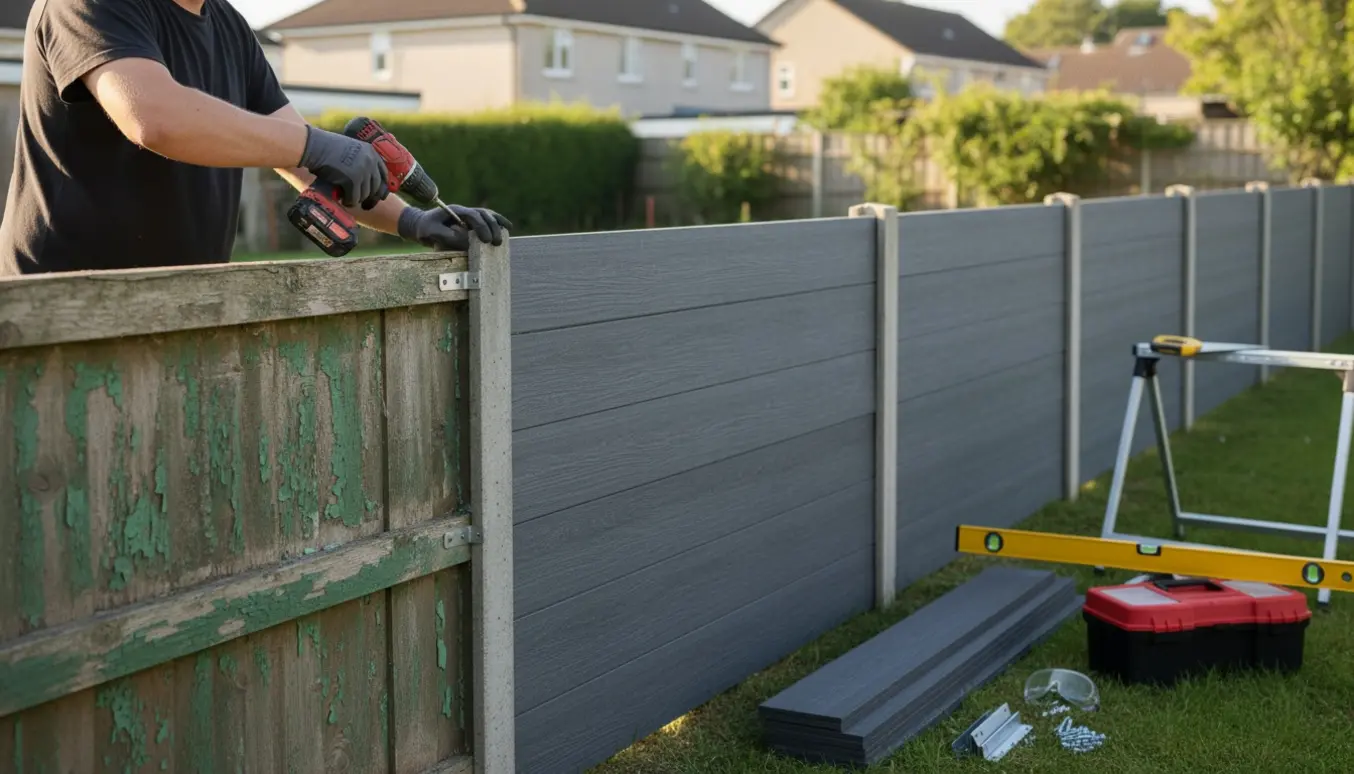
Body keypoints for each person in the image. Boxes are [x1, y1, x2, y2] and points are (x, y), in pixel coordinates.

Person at [0, 0, 511, 277]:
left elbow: (305, 162)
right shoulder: (90, 4)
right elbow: (152, 117)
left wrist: (415, 221)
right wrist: (313, 144)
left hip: (178, 305)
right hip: (57, 306)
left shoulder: (227, 26)